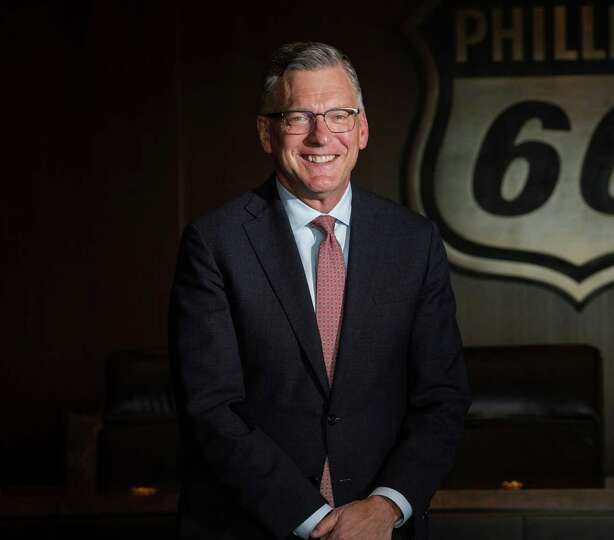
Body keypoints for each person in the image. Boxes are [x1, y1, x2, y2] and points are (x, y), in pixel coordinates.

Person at [169, 42, 470, 540]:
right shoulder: (215, 243)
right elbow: (210, 407)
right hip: (251, 526)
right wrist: (316, 522)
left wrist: (387, 507)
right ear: (267, 132)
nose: (320, 135)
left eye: (339, 114)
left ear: (363, 129)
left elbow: (443, 398)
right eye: (298, 117)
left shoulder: (414, 242)